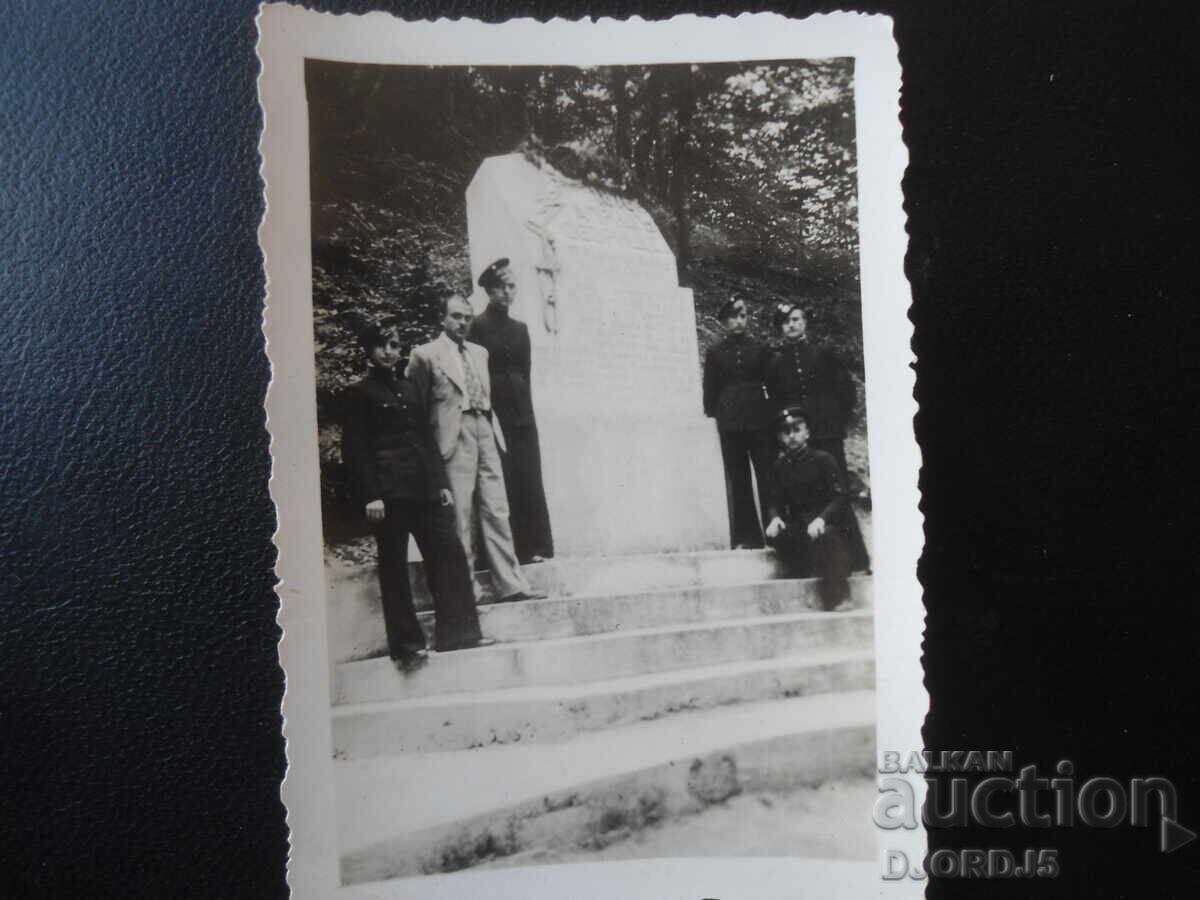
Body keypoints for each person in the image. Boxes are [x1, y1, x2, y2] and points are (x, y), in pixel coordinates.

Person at [340, 319, 493, 672]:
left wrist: (440, 483)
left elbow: (426, 439)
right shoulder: (359, 393)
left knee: (449, 555)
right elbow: (356, 449)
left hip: (425, 491)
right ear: (368, 350)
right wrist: (371, 495)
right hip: (388, 496)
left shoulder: (409, 388)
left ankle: (459, 634)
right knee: (394, 570)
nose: (389, 352)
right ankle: (408, 646)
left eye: (394, 345)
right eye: (381, 345)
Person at [406, 294, 547, 604]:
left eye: (467, 317)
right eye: (456, 316)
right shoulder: (425, 355)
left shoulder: (480, 353)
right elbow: (416, 409)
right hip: (453, 437)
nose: (462, 323)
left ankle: (510, 584)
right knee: (460, 514)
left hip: (485, 429)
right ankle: (466, 588)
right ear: (442, 318)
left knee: (497, 508)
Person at [765, 301, 870, 572]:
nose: (791, 325)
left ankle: (857, 559)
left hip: (827, 432)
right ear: (780, 328)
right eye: (786, 322)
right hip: (799, 436)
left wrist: (836, 420)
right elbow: (775, 401)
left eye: (796, 319)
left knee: (839, 491)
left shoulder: (823, 354)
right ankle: (817, 559)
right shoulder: (776, 364)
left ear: (804, 322)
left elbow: (846, 390)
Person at [468, 258, 555, 564]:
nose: (507, 292)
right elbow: (475, 373)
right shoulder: (477, 326)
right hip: (494, 412)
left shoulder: (521, 329)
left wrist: (526, 411)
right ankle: (505, 551)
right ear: (489, 291)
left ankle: (535, 547)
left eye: (511, 286)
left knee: (528, 475)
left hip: (522, 414)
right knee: (502, 478)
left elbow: (525, 373)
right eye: (501, 287)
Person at [763, 407, 855, 611]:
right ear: (780, 437)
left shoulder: (823, 459)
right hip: (800, 526)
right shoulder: (780, 466)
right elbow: (774, 499)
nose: (792, 436)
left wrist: (822, 519)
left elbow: (840, 495)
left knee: (827, 539)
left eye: (797, 430)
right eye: (786, 432)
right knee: (779, 535)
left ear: (807, 433)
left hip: (827, 523)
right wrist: (775, 518)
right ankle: (804, 567)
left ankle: (839, 598)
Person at [702, 295, 774, 549]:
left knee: (767, 476)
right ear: (725, 321)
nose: (739, 321)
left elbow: (771, 383)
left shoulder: (760, 349)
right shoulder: (715, 353)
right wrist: (718, 415)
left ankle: (775, 531)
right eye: (733, 317)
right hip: (731, 424)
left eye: (742, 316)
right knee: (739, 478)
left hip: (759, 421)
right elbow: (710, 392)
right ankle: (748, 536)